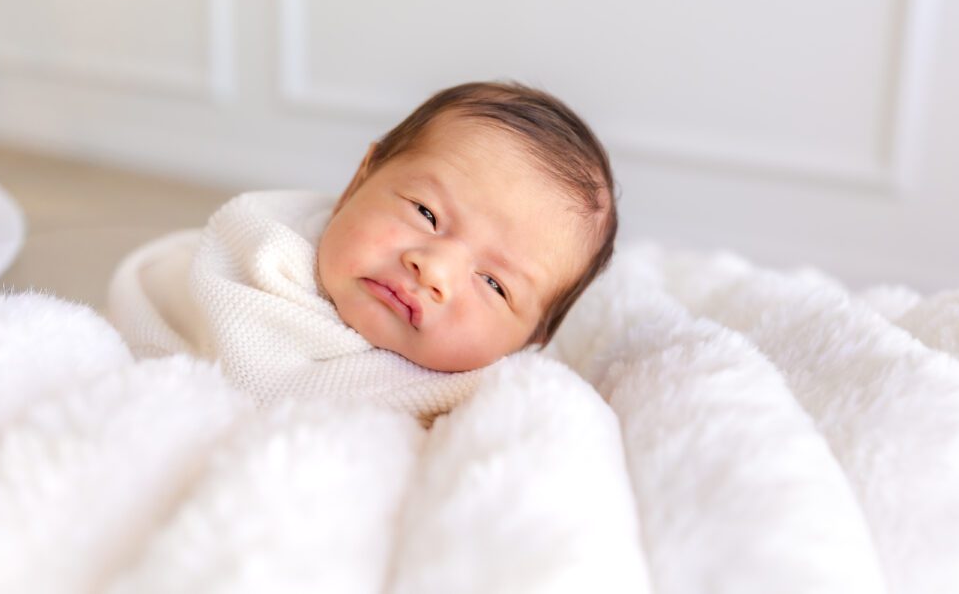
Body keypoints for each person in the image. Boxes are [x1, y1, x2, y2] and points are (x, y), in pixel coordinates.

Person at [107, 81, 617, 422]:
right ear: (359, 181)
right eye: (426, 213)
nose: (434, 268)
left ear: (531, 340)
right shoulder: (261, 256)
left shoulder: (489, 401)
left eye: (494, 284)